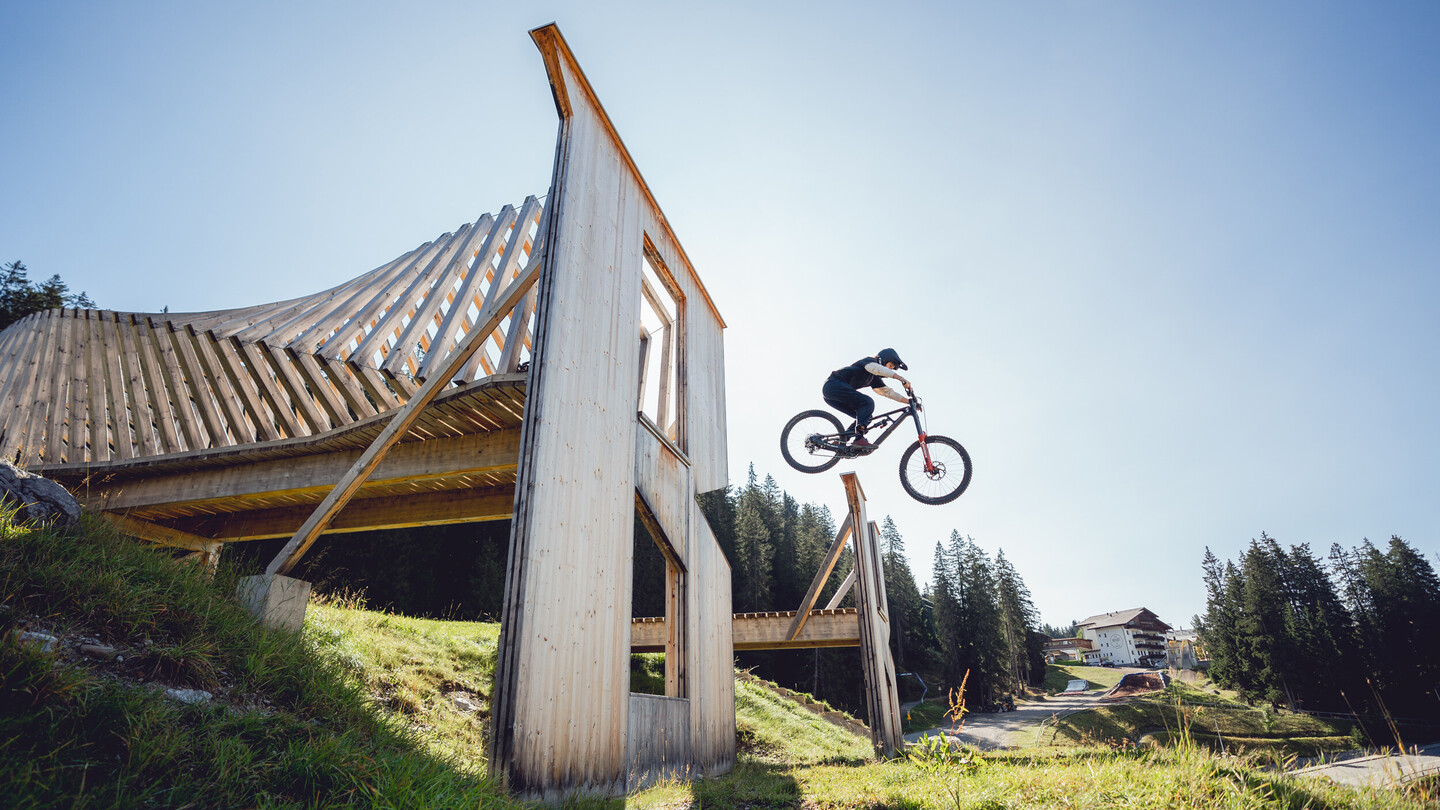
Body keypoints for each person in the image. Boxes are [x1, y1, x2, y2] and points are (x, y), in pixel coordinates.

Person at [823, 348, 911, 447]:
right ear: (883, 360)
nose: (889, 369)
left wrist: (909, 402)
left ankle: (841, 441)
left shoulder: (874, 378)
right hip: (833, 385)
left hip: (831, 396)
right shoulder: (869, 362)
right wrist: (901, 379)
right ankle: (859, 439)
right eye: (890, 366)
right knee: (867, 402)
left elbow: (888, 392)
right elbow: (878, 369)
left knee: (866, 416)